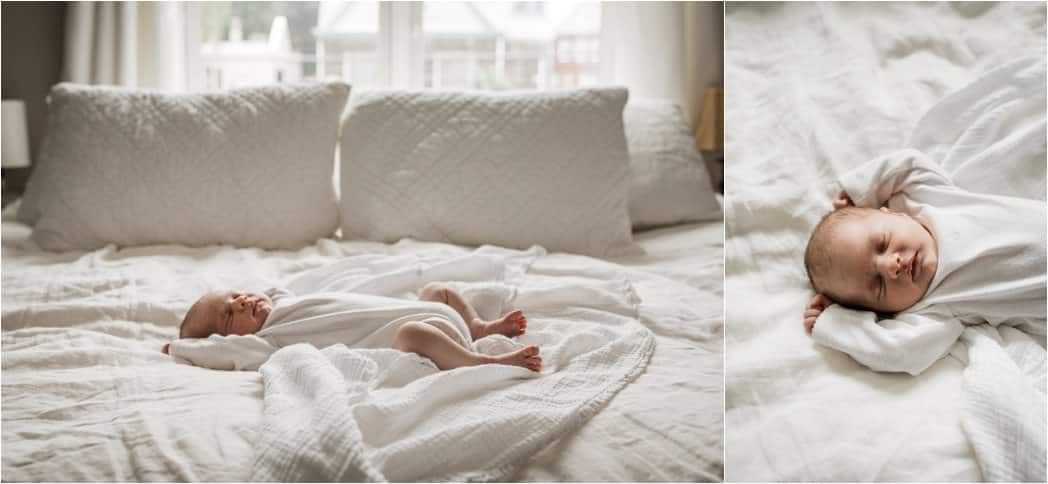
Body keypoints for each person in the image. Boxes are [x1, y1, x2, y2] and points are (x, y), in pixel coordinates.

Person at [802, 149, 1046, 375]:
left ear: (893, 213)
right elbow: (899, 352)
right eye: (878, 285)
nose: (890, 266)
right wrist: (836, 324)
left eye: (882, 243)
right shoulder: (931, 309)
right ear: (883, 311)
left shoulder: (929, 200)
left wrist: (864, 191)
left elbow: (909, 163)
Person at [163, 282, 542, 372]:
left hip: (429, 310)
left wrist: (255, 301)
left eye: (236, 295)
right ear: (228, 336)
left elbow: (271, 289)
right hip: (417, 331)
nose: (241, 302)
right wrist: (183, 347)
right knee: (411, 333)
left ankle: (478, 326)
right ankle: (477, 362)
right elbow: (224, 353)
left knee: (438, 290)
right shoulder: (267, 342)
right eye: (229, 315)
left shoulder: (281, 300)